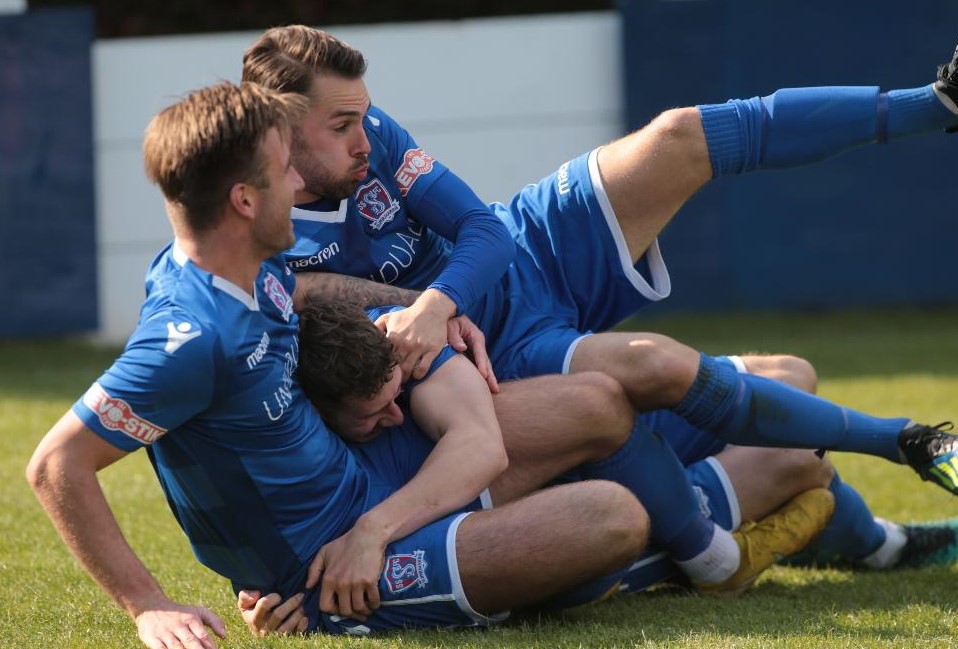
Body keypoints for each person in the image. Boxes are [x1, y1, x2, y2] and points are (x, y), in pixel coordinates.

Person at [240, 24, 958, 602]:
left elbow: (487, 233)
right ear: (281, 131)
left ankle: (939, 103)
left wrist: (436, 301)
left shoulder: (369, 133)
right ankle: (885, 504)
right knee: (750, 379)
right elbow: (298, 352)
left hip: (522, 256)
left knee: (679, 136)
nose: (364, 138)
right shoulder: (249, 230)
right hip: (492, 357)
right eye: (342, 125)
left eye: (364, 117)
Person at [25, 80, 665, 648]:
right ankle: (661, 557)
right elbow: (58, 464)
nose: (301, 185)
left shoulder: (246, 260)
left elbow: (315, 296)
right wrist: (149, 606)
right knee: (610, 517)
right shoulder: (190, 337)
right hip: (326, 570)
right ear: (245, 200)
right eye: (284, 172)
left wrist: (429, 305)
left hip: (367, 481)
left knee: (594, 402)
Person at [236, 299, 835, 635]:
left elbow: (482, 447)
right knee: (792, 469)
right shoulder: (289, 423)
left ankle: (709, 546)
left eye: (398, 395)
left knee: (793, 384)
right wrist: (282, 592)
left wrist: (371, 531)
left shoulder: (400, 331)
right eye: (373, 413)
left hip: (528, 412)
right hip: (508, 505)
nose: (395, 415)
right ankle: (697, 554)